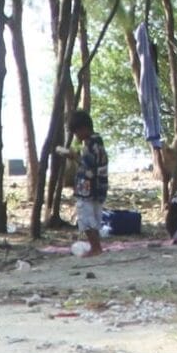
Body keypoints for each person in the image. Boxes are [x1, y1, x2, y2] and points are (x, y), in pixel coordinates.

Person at [67, 107, 110, 252]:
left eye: (76, 132)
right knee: (94, 217)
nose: (76, 135)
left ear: (84, 128)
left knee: (86, 218)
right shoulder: (97, 143)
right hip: (98, 188)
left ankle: (95, 247)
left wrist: (74, 157)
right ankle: (96, 246)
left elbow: (89, 167)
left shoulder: (91, 145)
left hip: (89, 189)